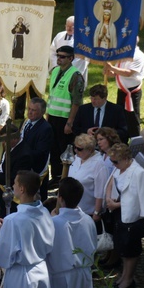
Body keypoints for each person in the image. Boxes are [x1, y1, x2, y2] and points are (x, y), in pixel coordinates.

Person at [0, 170, 55, 288]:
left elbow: (3, 257)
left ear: (21, 189)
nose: (12, 185)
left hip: (21, 275)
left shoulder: (14, 220)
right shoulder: (44, 212)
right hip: (41, 270)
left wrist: (4, 232)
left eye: (14, 183)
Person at [47, 177, 98, 288]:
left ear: (60, 198)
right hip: (83, 274)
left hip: (62, 276)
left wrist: (51, 219)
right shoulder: (88, 220)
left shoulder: (55, 223)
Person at [107, 143, 144, 288]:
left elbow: (142, 198)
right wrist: (109, 200)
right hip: (120, 213)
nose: (114, 164)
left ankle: (129, 279)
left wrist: (116, 205)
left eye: (116, 162)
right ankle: (124, 275)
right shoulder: (119, 168)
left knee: (131, 249)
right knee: (122, 247)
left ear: (125, 158)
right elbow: (111, 183)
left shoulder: (138, 172)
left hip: (132, 215)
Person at [48, 45, 85, 185]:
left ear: (71, 58)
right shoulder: (55, 71)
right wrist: (48, 114)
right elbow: (53, 95)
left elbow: (76, 102)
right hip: (53, 116)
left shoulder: (75, 75)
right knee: (54, 148)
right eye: (58, 56)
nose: (59, 59)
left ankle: (65, 177)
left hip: (65, 118)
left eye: (63, 57)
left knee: (65, 149)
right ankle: (56, 176)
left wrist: (70, 122)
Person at [104, 41, 144, 138]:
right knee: (120, 117)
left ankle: (135, 141)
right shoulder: (123, 54)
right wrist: (110, 72)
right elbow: (120, 71)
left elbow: (129, 73)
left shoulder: (139, 56)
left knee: (132, 118)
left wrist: (112, 68)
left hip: (132, 92)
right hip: (122, 90)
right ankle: (122, 139)